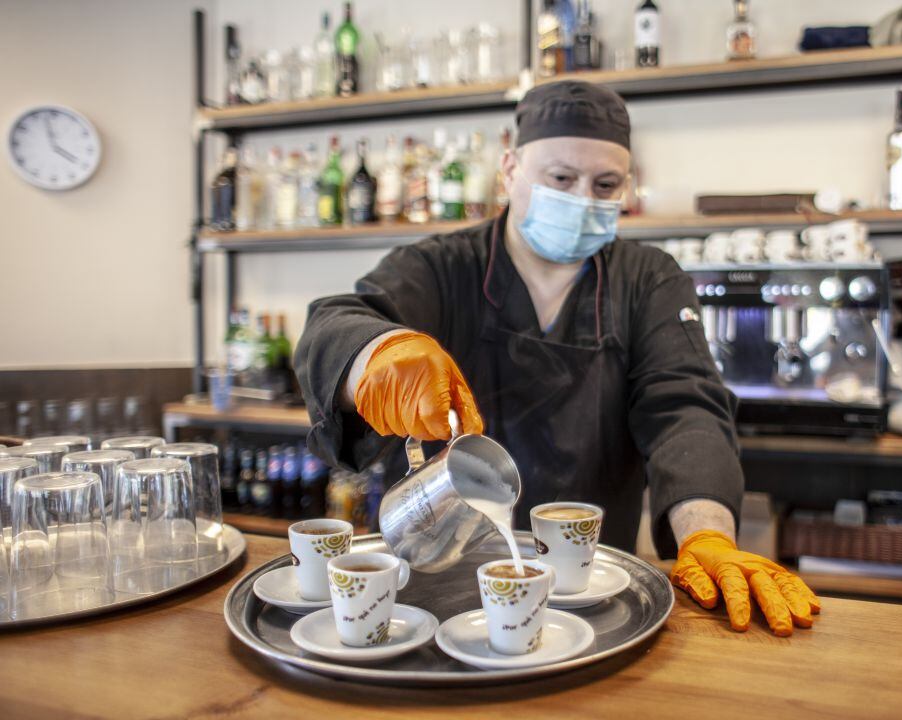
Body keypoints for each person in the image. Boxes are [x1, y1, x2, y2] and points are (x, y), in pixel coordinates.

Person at [296, 80, 819, 636]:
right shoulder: (442, 267)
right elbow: (335, 321)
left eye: (606, 184)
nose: (582, 199)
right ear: (509, 171)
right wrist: (376, 355)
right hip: (438, 587)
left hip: (592, 589)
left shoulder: (649, 279)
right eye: (562, 179)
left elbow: (686, 408)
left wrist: (707, 533)